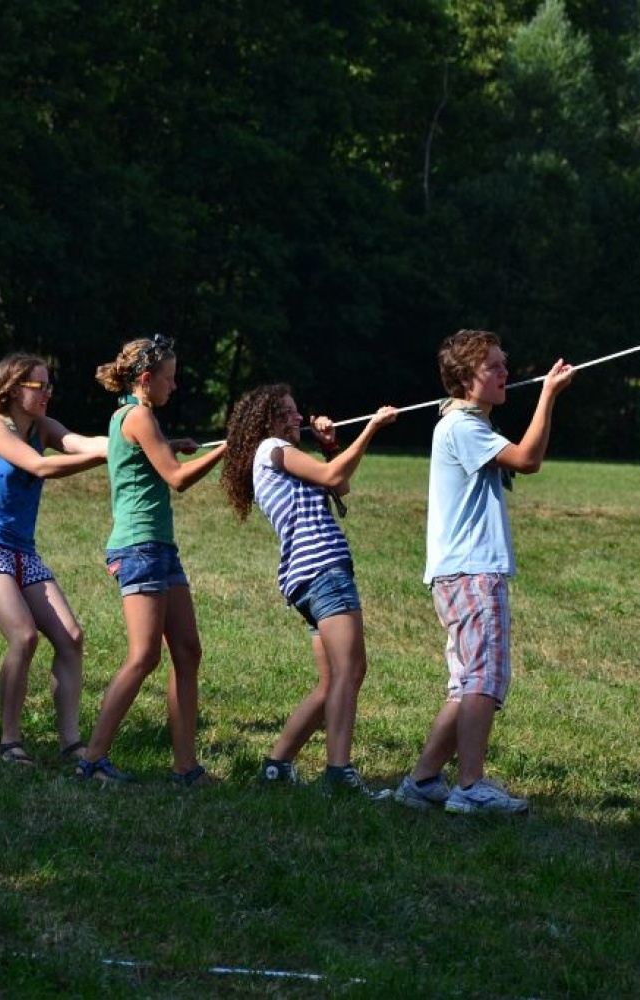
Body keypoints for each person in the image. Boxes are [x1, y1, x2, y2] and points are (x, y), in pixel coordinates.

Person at [395, 330, 574, 815]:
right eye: (493, 367)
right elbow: (528, 459)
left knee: (467, 682)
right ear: (467, 379)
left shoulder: (462, 422)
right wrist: (549, 396)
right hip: (473, 572)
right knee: (483, 680)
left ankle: (423, 780)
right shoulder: (462, 427)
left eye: (503, 364)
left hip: (460, 573)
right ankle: (470, 786)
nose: (504, 374)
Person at [219, 384, 397, 797]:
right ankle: (339, 774)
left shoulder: (277, 458)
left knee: (331, 680)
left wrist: (331, 444)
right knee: (351, 672)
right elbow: (334, 476)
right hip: (324, 572)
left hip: (307, 577)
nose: (298, 418)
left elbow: (339, 485)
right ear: (269, 421)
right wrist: (372, 426)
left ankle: (276, 766)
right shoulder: (272, 450)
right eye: (289, 412)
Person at [75, 335, 227, 786]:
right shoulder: (138, 415)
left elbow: (147, 455)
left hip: (160, 547)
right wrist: (228, 447)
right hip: (139, 548)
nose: (174, 387)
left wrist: (169, 440)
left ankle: (185, 768)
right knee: (143, 656)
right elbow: (177, 479)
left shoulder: (140, 417)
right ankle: (93, 759)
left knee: (187, 651)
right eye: (169, 379)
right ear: (146, 379)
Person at [0, 352, 108, 766]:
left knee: (71, 638)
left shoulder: (43, 427)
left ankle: (72, 743)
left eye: (48, 386)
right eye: (37, 386)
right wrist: (104, 457)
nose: (46, 394)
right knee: (23, 636)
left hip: (23, 550)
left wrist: (141, 442)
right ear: (12, 388)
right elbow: (40, 466)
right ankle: (9, 741)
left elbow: (85, 442)